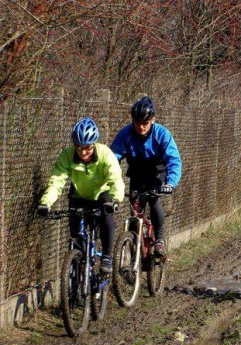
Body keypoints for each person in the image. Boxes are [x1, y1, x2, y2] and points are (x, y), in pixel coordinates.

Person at [37, 117, 125, 274]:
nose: (83, 152)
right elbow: (56, 181)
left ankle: (106, 256)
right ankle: (77, 275)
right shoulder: (67, 155)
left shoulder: (105, 154)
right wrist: (46, 203)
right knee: (77, 239)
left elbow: (115, 179)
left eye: (88, 148)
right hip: (79, 197)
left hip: (101, 196)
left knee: (107, 218)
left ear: (94, 144)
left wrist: (115, 200)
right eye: (78, 147)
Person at [110, 96, 182, 259]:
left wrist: (171, 182)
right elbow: (113, 157)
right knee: (135, 210)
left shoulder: (162, 134)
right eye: (137, 123)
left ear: (152, 120)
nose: (141, 127)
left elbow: (174, 159)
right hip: (137, 173)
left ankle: (159, 240)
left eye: (145, 123)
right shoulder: (126, 134)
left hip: (157, 173)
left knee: (154, 200)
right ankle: (137, 247)